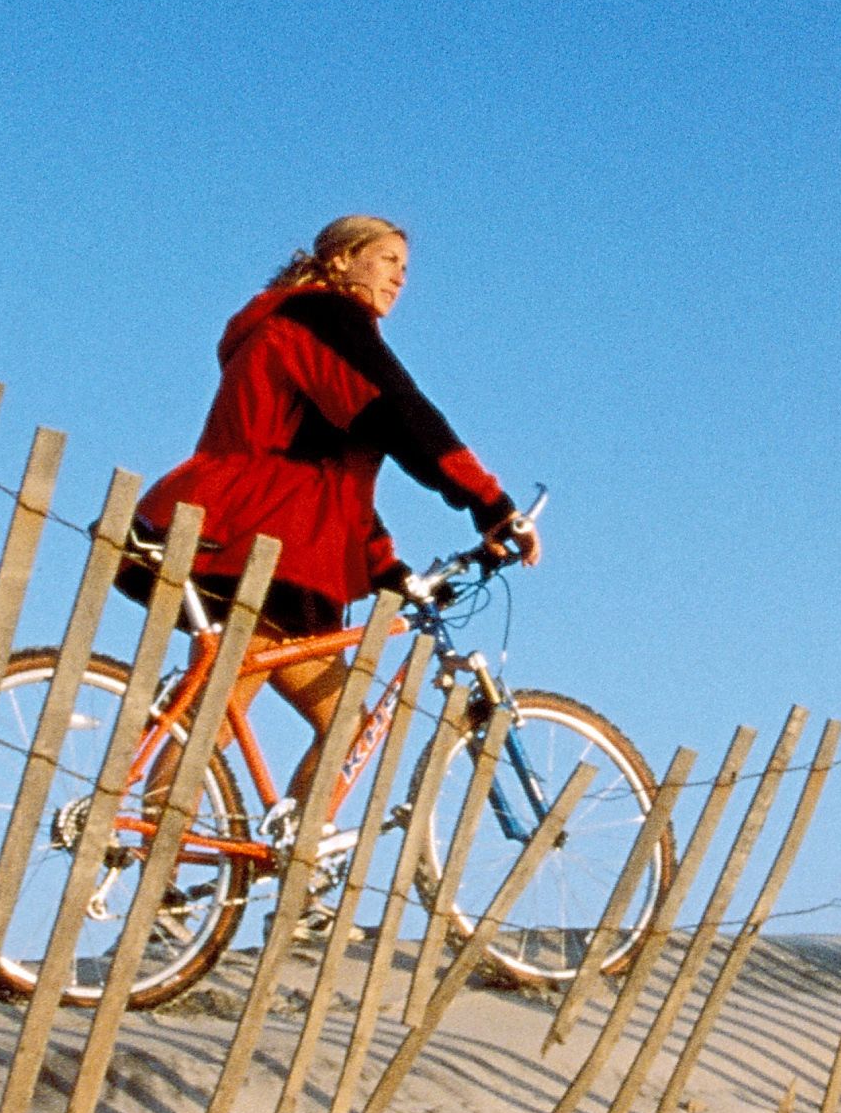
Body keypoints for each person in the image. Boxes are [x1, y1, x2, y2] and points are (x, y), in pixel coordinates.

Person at [132, 216, 537, 808]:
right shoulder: (324, 318)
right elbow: (402, 413)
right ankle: (145, 862)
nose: (399, 277)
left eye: (405, 267)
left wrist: (384, 566)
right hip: (260, 537)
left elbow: (329, 475)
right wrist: (491, 504)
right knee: (217, 712)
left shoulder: (301, 327)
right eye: (386, 259)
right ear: (341, 260)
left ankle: (299, 875)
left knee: (343, 721)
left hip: (272, 529)